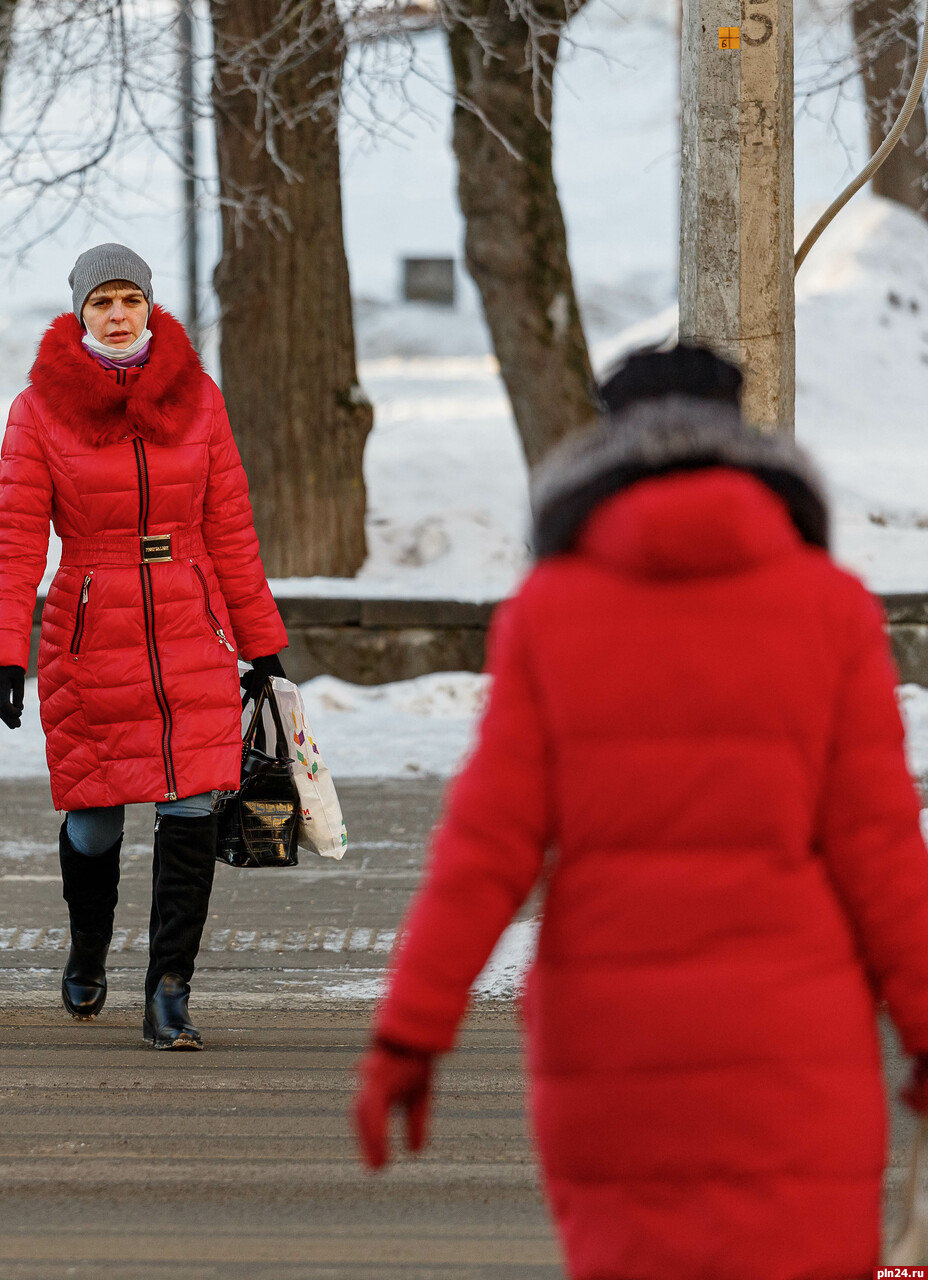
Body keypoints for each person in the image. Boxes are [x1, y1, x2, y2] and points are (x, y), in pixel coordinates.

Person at [353, 344, 928, 1277]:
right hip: (795, 1048)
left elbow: (485, 849)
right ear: (746, 443)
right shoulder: (831, 610)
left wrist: (409, 1036)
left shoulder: (550, 613)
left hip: (610, 1056)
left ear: (606, 450)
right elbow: (885, 855)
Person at [0, 244, 288, 1050]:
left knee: (191, 807)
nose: (118, 315)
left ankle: (169, 990)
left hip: (193, 624)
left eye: (130, 300)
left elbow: (230, 528)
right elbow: (14, 539)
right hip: (89, 632)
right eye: (102, 302)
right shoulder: (39, 409)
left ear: (150, 307)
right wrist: (4, 649)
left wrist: (261, 643)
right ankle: (88, 944)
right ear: (79, 313)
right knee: (96, 822)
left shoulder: (200, 399)